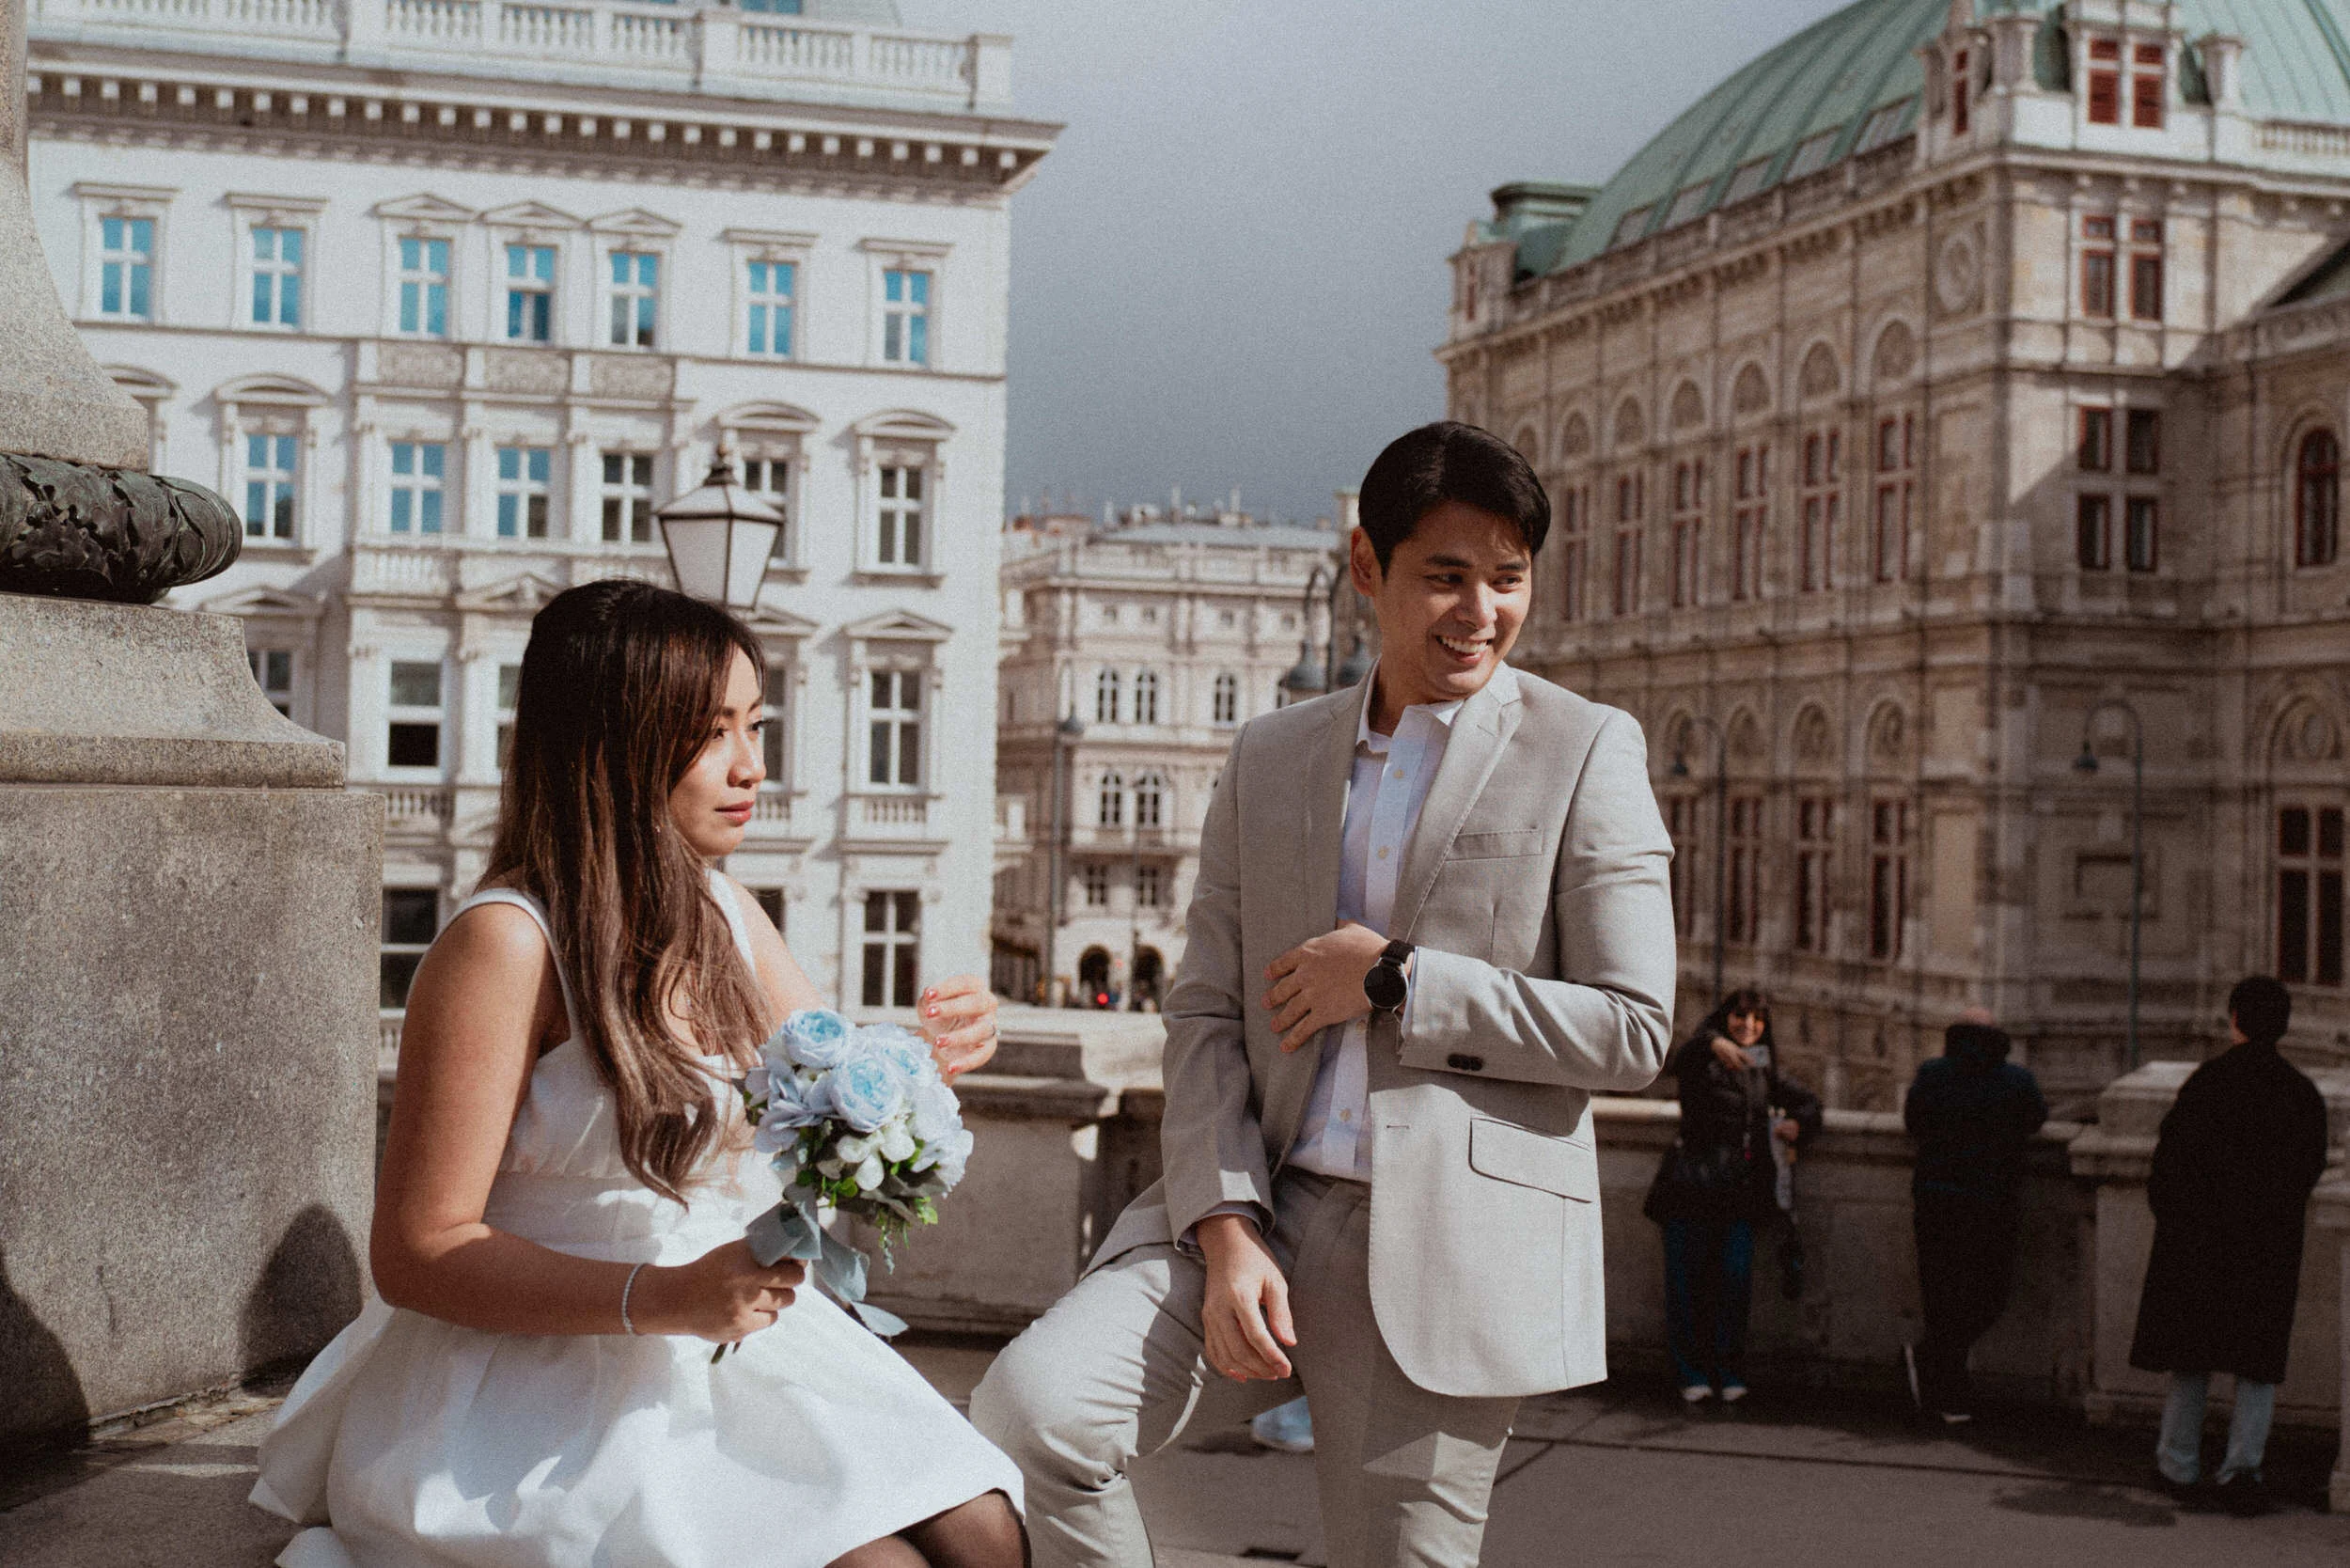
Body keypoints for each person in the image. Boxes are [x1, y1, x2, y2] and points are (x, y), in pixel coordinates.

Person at [968, 421, 1679, 1568]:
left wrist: (1397, 981)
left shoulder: (1587, 747)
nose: (1479, 612)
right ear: (1366, 570)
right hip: (1257, 1209)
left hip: (1449, 1245)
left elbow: (1635, 1027)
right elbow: (1201, 1010)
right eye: (1444, 578)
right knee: (1032, 1418)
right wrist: (1224, 1222)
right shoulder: (1271, 754)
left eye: (1507, 581)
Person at [249, 582, 1024, 1568]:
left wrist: (926, 1059)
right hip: (537, 1371)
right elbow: (416, 1251)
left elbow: (830, 1093)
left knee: (987, 1528)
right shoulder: (506, 943)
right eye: (711, 736)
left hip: (730, 1331)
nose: (752, 767)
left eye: (754, 723)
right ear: (610, 746)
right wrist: (663, 1299)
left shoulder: (730, 911)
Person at [2129, 975, 2330, 1516]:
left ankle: (2178, 1465)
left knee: (2191, 1359)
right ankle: (2242, 1470)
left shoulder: (2207, 1082)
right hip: (2265, 1246)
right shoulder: (2300, 1092)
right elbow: (2307, 1169)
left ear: (2234, 1018)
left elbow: (2168, 1166)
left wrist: (2178, 1221)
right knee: (2256, 1365)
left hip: (2199, 1241)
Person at [1640, 990, 1821, 1404]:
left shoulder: (1762, 1067)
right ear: (1726, 1018)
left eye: (1757, 1020)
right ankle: (1691, 1373)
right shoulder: (1702, 1058)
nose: (1748, 1027)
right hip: (1690, 1185)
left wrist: (1798, 1122)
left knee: (1734, 1285)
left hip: (1739, 1190)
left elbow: (1808, 1102)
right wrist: (1710, 1040)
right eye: (1740, 1018)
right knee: (1686, 1286)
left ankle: (1729, 1370)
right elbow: (1674, 1061)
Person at [1902, 1010, 2047, 1424]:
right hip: (1991, 1202)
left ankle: (1942, 1382)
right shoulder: (2017, 1080)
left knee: (1942, 1295)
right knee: (1988, 1294)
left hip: (1937, 1200)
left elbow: (1913, 1122)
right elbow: (2036, 1120)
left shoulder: (1932, 1073)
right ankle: (1945, 1386)